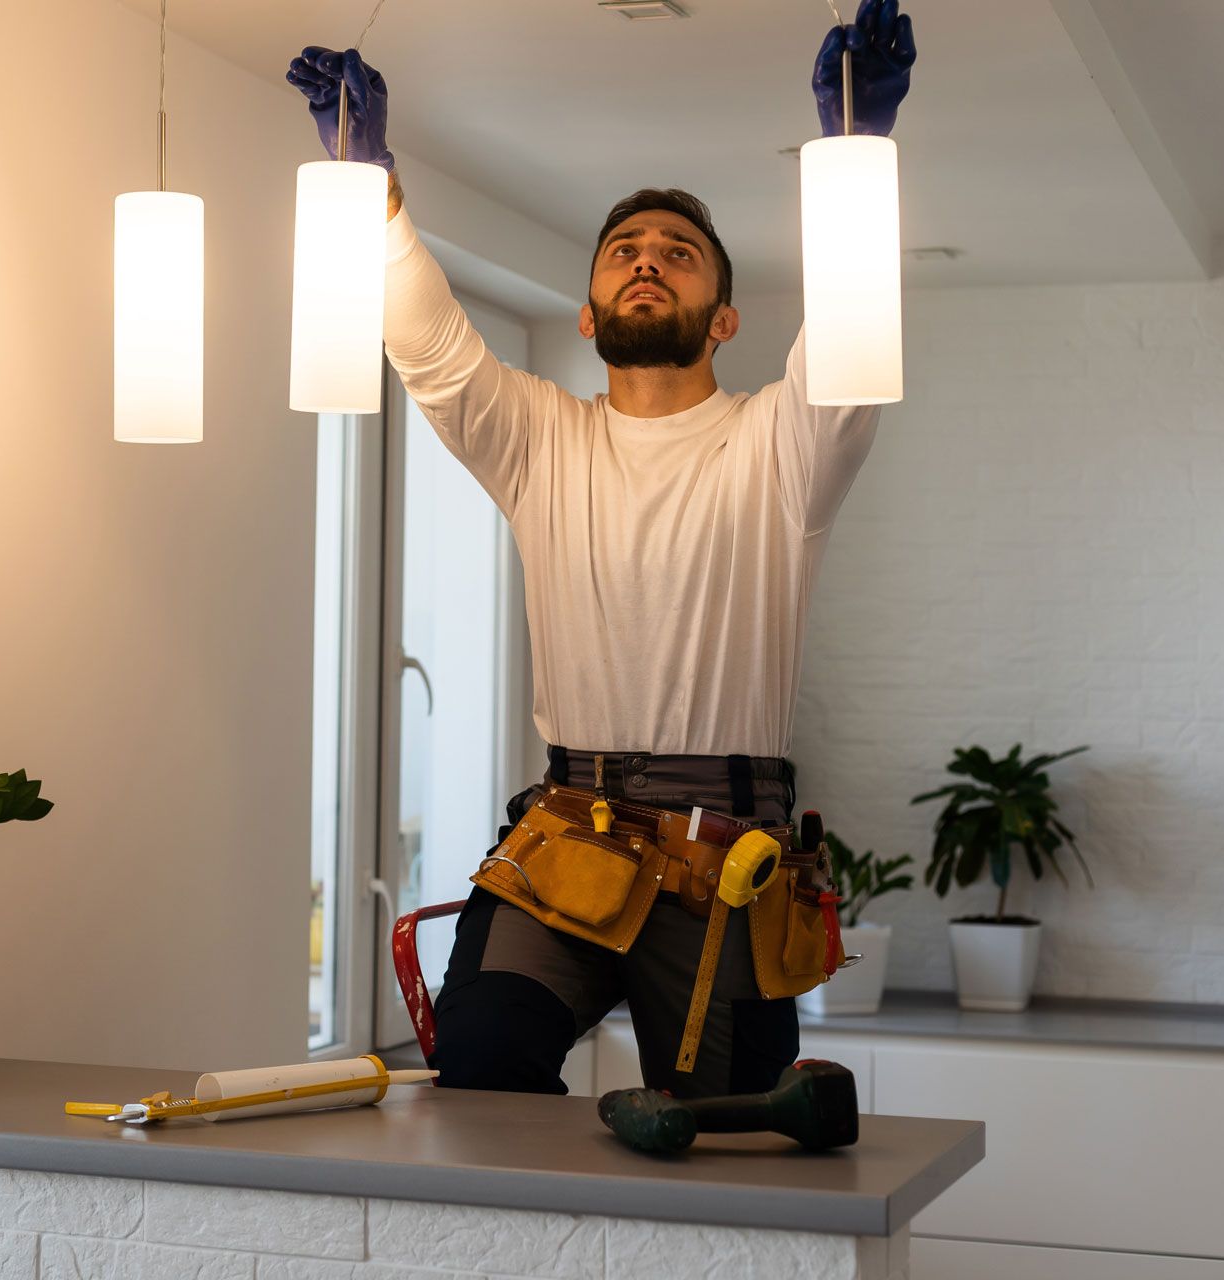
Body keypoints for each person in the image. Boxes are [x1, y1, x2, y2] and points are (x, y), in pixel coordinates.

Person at [288, 0, 916, 1097]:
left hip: (729, 857)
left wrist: (860, 148)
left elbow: (854, 346)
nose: (648, 261)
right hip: (565, 838)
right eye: (625, 249)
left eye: (679, 254)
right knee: (482, 1070)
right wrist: (376, 197)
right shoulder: (542, 439)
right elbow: (432, 353)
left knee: (734, 1148)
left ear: (724, 315)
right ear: (585, 313)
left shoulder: (782, 442)